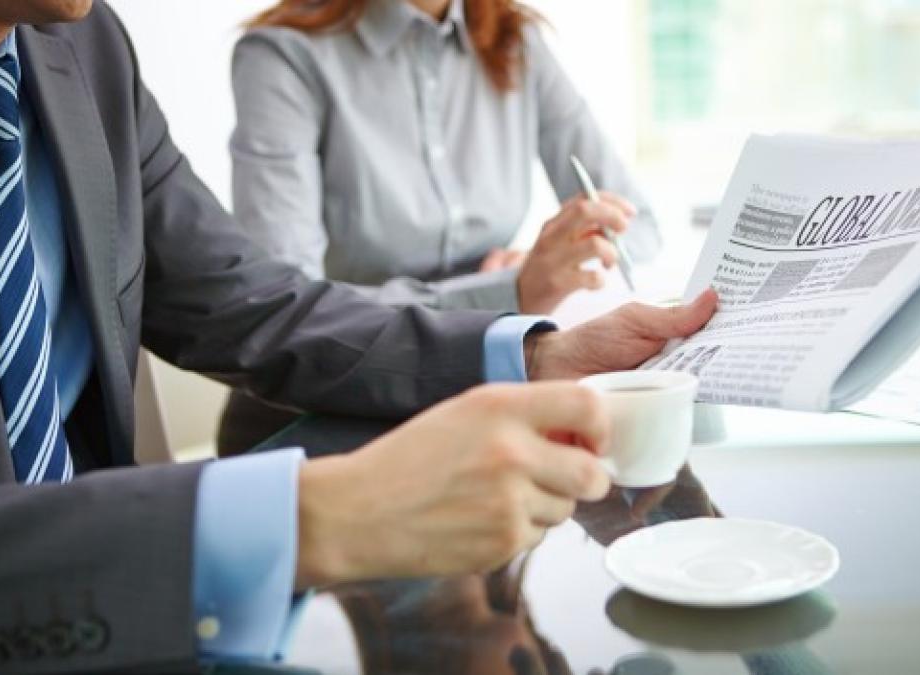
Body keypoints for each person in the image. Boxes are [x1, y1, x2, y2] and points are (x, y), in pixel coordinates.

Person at [0, 0, 718, 673]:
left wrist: (534, 351)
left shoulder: (87, 47)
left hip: (136, 616)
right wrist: (313, 517)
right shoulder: (280, 54)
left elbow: (252, 302)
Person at [219, 0, 663, 453]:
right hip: (317, 415)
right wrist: (506, 291)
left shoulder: (516, 38)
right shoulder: (284, 54)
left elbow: (638, 227)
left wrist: (541, 268)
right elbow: (289, 308)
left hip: (476, 396)